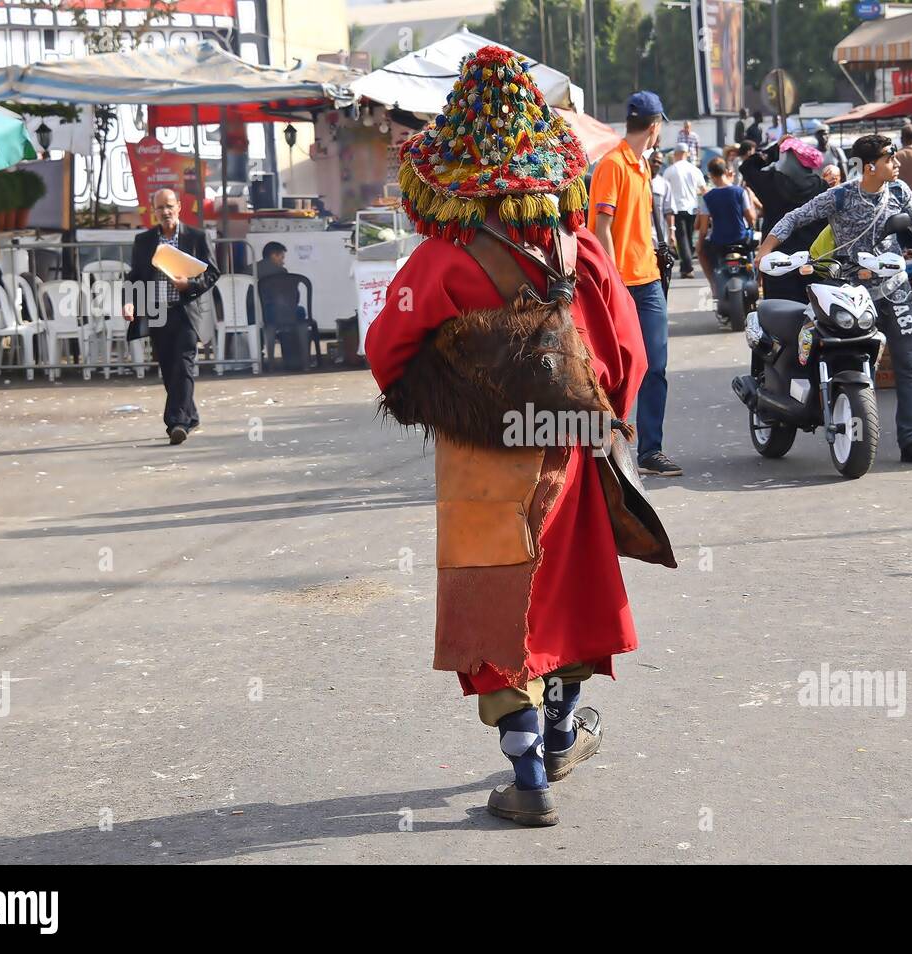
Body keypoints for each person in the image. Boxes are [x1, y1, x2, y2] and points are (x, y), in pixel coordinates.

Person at [365, 46, 651, 827]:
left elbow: (386, 355)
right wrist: (604, 421)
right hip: (569, 445)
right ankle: (560, 738)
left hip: (484, 466)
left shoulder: (439, 261)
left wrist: (447, 395)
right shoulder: (583, 252)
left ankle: (529, 777)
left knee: (498, 600)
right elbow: (629, 356)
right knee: (566, 599)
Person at [755, 134, 912, 464]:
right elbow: (795, 217)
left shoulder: (900, 191)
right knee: (857, 364)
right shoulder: (840, 196)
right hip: (851, 295)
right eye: (890, 158)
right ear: (871, 165)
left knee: (909, 364)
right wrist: (765, 250)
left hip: (894, 288)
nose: (897, 163)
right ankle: (860, 435)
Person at [590, 91, 683, 477]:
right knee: (617, 370)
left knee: (655, 367)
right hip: (623, 285)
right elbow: (602, 228)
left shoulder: (642, 167)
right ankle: (606, 448)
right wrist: (615, 282)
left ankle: (650, 451)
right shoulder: (613, 165)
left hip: (649, 283)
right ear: (655, 126)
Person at [121, 188, 219, 445]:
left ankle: (177, 422)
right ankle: (192, 414)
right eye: (159, 208)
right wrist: (130, 303)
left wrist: (190, 285)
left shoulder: (197, 237)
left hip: (187, 312)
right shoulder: (144, 241)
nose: (165, 212)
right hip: (157, 313)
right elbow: (134, 277)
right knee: (168, 368)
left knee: (184, 364)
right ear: (153, 211)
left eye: (169, 206)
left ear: (179, 208)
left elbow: (211, 273)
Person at [740, 134, 826, 303]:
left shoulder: (771, 183)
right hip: (813, 265)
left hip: (777, 265)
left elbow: (748, 167)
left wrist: (773, 150)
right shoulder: (822, 187)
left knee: (778, 317)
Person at [255, 241, 321, 368]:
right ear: (274, 255)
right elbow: (293, 298)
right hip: (280, 313)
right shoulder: (281, 271)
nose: (283, 261)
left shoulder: (250, 269)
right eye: (282, 257)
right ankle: (304, 360)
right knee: (300, 311)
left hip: (260, 313)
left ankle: (271, 362)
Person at [695, 156, 757, 289]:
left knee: (701, 251)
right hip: (740, 239)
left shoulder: (707, 197)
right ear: (726, 172)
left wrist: (699, 244)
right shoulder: (740, 192)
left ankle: (713, 285)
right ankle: (755, 280)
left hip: (718, 242)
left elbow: (704, 229)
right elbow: (751, 219)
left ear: (711, 175)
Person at [661, 144, 705, 281]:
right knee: (689, 237)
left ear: (676, 154)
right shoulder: (694, 170)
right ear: (686, 153)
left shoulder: (669, 171)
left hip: (676, 208)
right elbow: (703, 189)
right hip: (692, 208)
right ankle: (686, 266)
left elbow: (664, 190)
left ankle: (687, 267)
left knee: (682, 240)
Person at [648, 150, 678, 298]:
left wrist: (672, 232)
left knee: (661, 279)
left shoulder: (663, 184)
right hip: (639, 242)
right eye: (654, 161)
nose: (656, 164)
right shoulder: (637, 181)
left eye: (659, 162)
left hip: (658, 242)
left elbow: (669, 211)